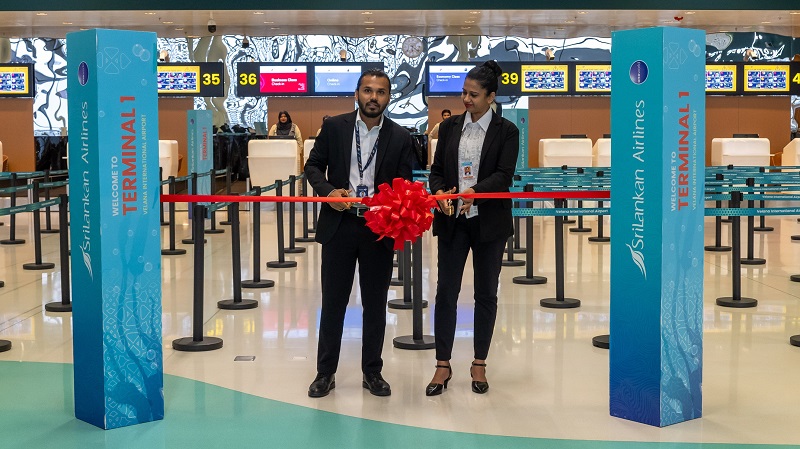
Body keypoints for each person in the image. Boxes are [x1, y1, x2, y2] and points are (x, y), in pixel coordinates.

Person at [304, 68, 415, 398]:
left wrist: (392, 205)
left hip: (378, 228)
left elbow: (405, 183)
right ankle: (325, 372)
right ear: (356, 94)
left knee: (375, 304)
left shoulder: (400, 136)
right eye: (367, 90)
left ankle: (372, 371)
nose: (373, 97)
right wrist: (328, 192)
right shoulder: (335, 127)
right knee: (333, 303)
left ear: (388, 97)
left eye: (380, 92)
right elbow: (312, 166)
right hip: (339, 224)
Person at [425, 60, 519, 396]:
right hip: (453, 220)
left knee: (486, 293)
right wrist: (440, 192)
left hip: (489, 222)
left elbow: (503, 176)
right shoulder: (449, 127)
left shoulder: (507, 131)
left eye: (474, 94)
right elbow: (436, 171)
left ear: (491, 97)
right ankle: (442, 364)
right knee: (446, 292)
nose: (466, 99)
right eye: (464, 92)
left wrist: (475, 192)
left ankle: (479, 362)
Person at [269, 110, 304, 176]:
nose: (283, 118)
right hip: (277, 154)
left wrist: (298, 153)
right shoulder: (274, 127)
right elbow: (269, 141)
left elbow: (300, 141)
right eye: (281, 117)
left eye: (285, 116)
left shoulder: (294, 127)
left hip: (291, 155)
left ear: (288, 117)